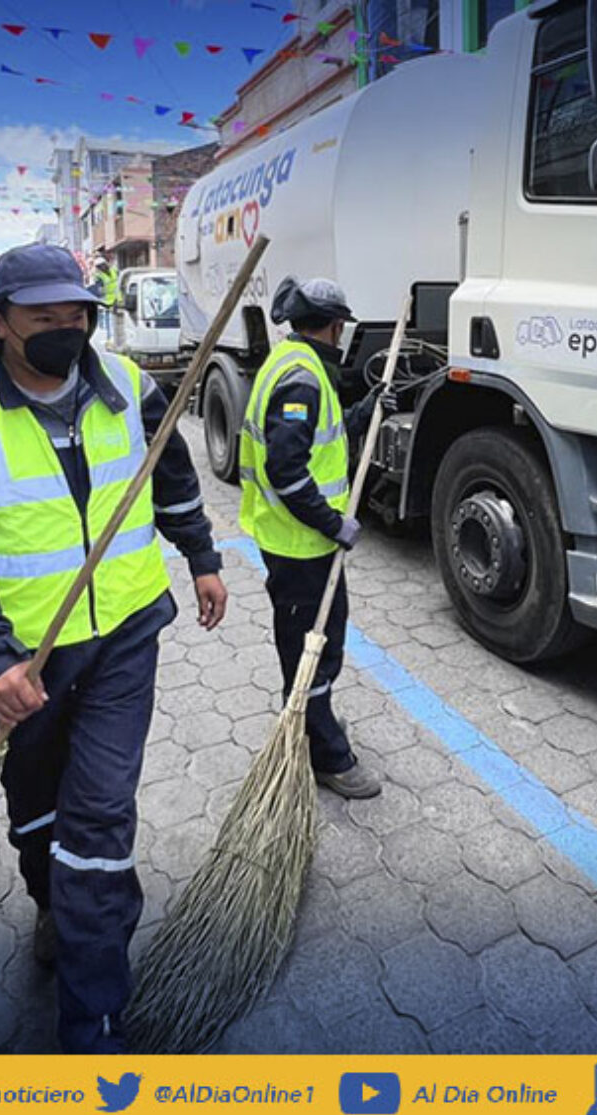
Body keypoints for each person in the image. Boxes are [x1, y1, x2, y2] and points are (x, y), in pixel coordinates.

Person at [0, 243, 227, 1054]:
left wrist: (202, 557)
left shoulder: (129, 386)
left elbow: (170, 476)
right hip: (25, 659)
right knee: (35, 809)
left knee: (98, 820)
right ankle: (52, 901)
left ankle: (94, 1016)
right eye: (44, 314)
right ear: (0, 321)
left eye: (77, 312)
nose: (66, 327)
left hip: (125, 638)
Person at [238, 277, 384, 801]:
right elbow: (288, 471)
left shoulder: (293, 364)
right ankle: (326, 754)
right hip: (300, 544)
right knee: (313, 651)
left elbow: (327, 434)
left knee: (310, 647)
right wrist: (332, 523)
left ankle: (308, 715)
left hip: (294, 540)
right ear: (336, 325)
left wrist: (366, 410)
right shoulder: (302, 378)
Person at [91, 253, 120, 342]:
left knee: (117, 320)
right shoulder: (99, 276)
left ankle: (115, 337)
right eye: (100, 267)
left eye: (102, 266)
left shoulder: (114, 271)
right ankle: (110, 338)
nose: (102, 268)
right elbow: (98, 290)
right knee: (109, 321)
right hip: (107, 302)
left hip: (117, 299)